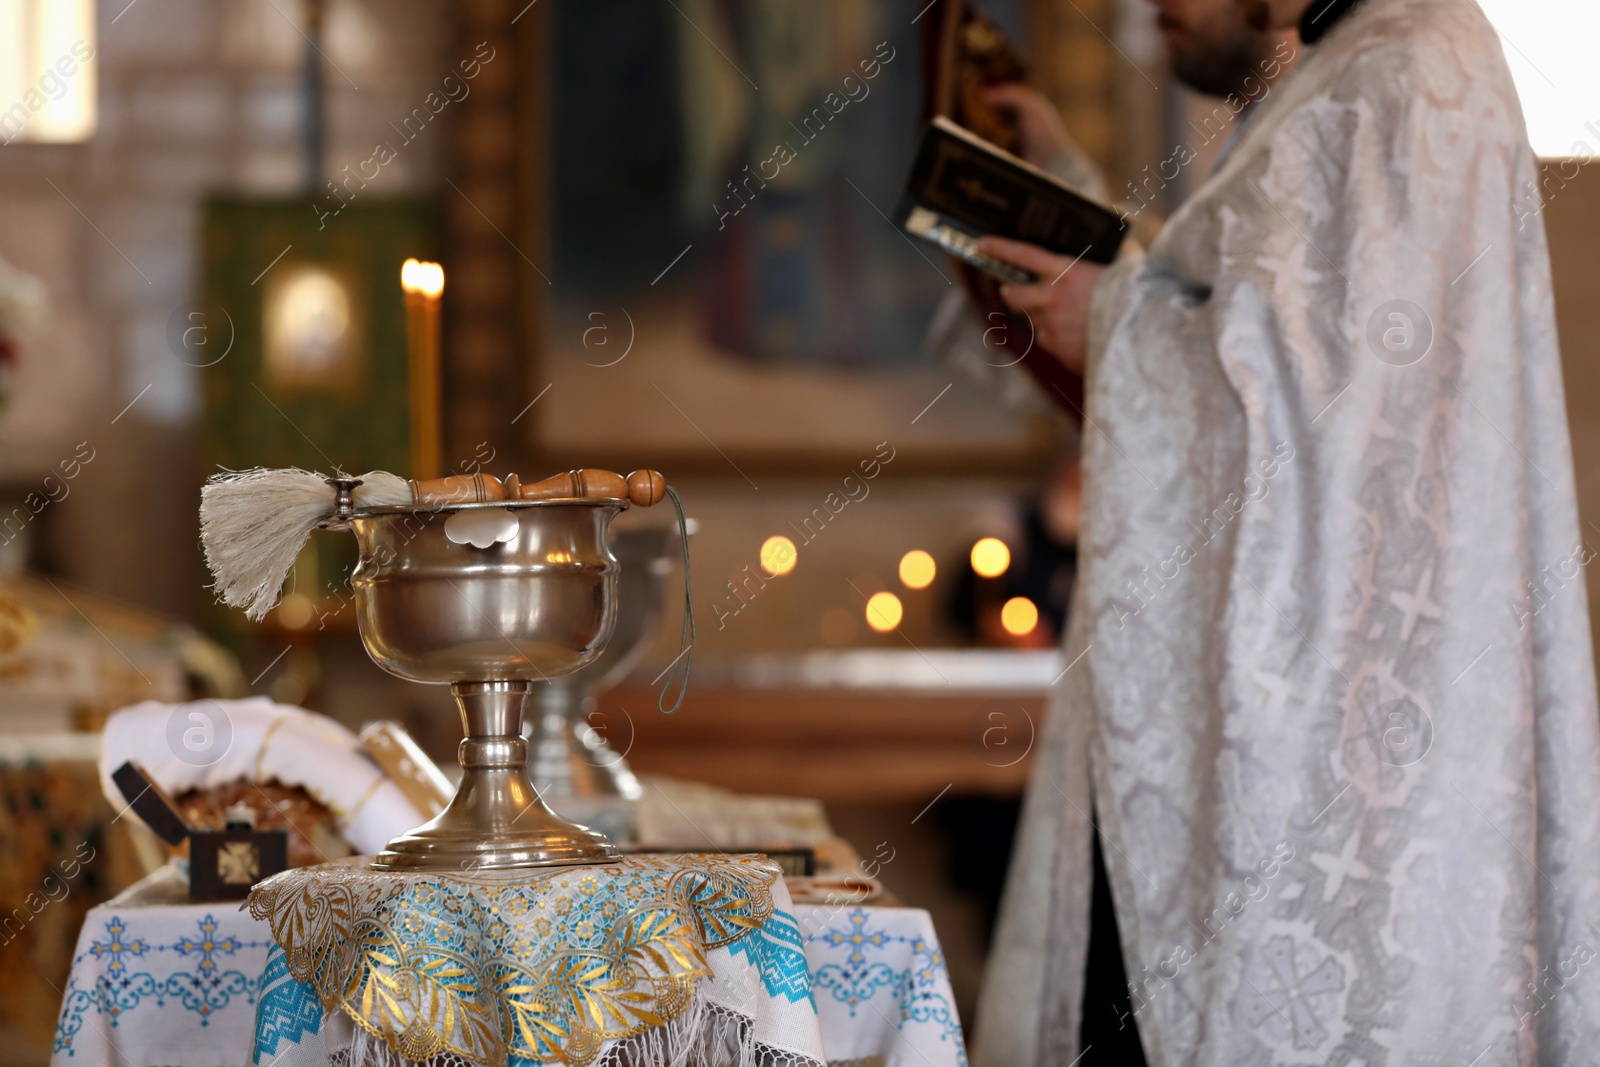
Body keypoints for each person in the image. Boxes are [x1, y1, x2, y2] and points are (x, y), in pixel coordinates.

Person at [962, 0, 1600, 1062]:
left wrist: (1113, 320)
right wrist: (1069, 193)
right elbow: (1249, 313)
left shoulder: (1410, 66)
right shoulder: (1350, 70)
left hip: (1353, 733)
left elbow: (1328, 422)